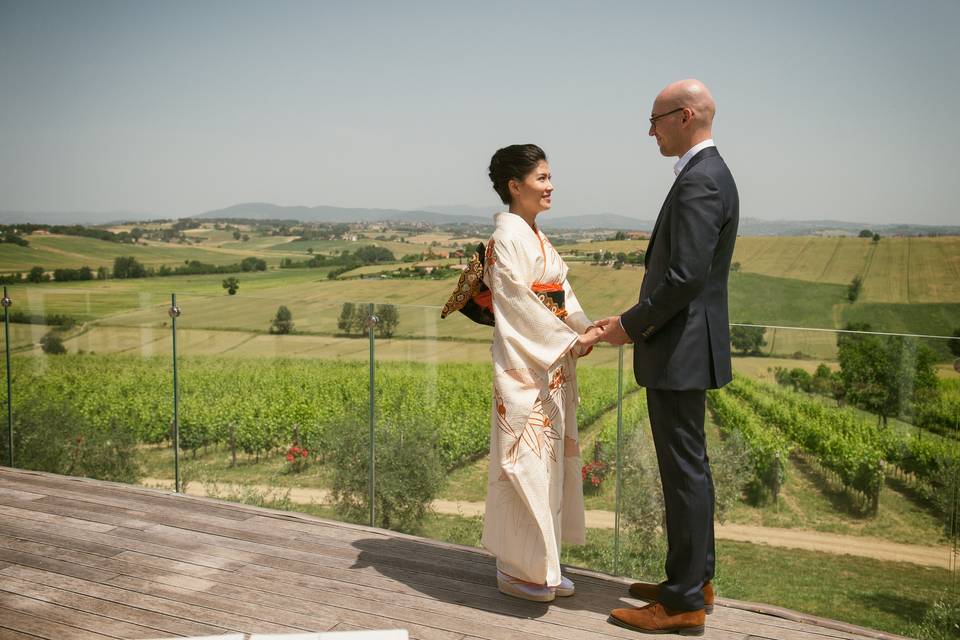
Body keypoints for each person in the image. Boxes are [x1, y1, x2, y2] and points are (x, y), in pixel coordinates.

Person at [597, 79, 739, 636]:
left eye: (654, 120)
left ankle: (682, 603)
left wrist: (628, 327)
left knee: (683, 474)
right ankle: (694, 581)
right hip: (685, 349)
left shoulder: (700, 180)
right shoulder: (708, 174)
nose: (649, 130)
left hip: (679, 351)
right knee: (690, 470)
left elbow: (684, 278)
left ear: (684, 116)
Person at [479, 144, 602, 602]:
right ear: (515, 186)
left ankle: (544, 564)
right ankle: (516, 569)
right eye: (542, 178)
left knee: (547, 468)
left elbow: (560, 293)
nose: (550, 186)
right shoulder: (507, 239)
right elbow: (518, 306)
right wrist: (571, 339)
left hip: (550, 369)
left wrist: (584, 327)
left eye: (550, 178)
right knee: (523, 464)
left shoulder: (534, 236)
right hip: (524, 369)